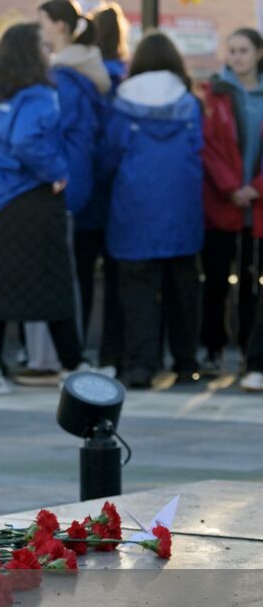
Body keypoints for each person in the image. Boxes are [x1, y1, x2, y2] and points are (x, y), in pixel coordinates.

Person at [0, 21, 81, 394]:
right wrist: (57, 171)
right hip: (29, 197)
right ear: (31, 53)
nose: (50, 52)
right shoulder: (39, 94)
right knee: (53, 284)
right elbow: (27, 140)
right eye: (44, 46)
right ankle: (74, 366)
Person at [99, 32, 203, 387]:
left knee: (137, 291)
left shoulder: (121, 103)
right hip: (181, 209)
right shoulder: (189, 103)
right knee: (182, 288)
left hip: (134, 209)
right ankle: (186, 362)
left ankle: (140, 366)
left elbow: (109, 156)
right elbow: (200, 148)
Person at [22, 0, 112, 381]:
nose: (39, 28)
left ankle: (51, 359)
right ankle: (57, 357)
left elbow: (50, 134)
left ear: (59, 26)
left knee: (55, 275)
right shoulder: (86, 72)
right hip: (78, 182)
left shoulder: (63, 79)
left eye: (42, 21)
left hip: (61, 185)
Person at [200, 27, 263, 379]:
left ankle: (249, 352)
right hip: (223, 204)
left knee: (253, 284)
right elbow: (208, 146)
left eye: (244, 50)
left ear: (258, 53)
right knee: (216, 281)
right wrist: (231, 188)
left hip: (258, 207)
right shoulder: (216, 93)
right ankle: (212, 349)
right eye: (233, 50)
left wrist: (255, 188)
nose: (237, 57)